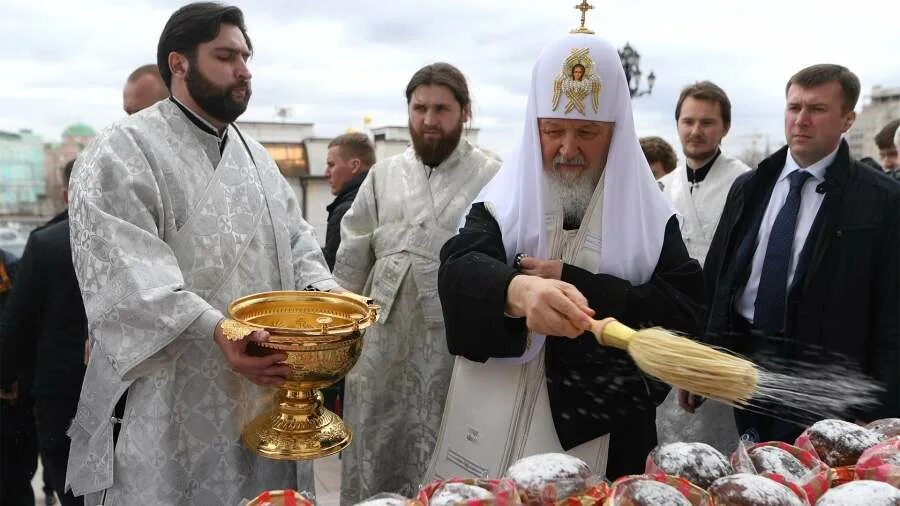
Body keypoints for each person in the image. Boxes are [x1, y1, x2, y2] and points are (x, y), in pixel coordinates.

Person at [65, 3, 338, 504]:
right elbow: (129, 276)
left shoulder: (257, 156)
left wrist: (329, 302)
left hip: (262, 390)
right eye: (226, 56)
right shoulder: (122, 150)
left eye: (246, 57)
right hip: (169, 394)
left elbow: (298, 243)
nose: (244, 70)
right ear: (179, 63)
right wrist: (222, 330)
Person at [432, 31, 704, 481]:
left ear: (616, 133)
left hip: (604, 438)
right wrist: (516, 290)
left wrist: (585, 286)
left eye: (588, 132)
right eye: (553, 130)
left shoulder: (652, 219)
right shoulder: (503, 201)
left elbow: (684, 317)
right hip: (493, 432)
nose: (567, 149)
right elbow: (458, 269)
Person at [699, 64, 900, 442]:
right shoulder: (751, 185)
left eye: (817, 109)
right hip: (749, 363)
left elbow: (892, 314)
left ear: (848, 119)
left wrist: (881, 412)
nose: (801, 120)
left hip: (828, 378)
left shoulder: (882, 201)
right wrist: (699, 357)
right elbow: (717, 279)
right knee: (754, 476)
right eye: (794, 108)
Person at [334, 62, 500, 501]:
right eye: (419, 108)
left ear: (465, 113)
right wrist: (334, 336)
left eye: (441, 109)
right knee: (373, 436)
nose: (429, 120)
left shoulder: (492, 177)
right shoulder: (383, 175)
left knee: (443, 445)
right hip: (378, 342)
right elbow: (353, 253)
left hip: (450, 343)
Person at [1, 160, 86, 506]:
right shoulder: (148, 236)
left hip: (62, 394)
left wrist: (6, 376)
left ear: (67, 194)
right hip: (134, 394)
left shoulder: (47, 243)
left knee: (70, 485)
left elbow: (18, 322)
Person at [660, 81, 750, 265]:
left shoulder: (746, 184)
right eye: (688, 121)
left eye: (706, 123)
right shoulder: (662, 187)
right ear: (677, 124)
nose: (695, 131)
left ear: (725, 128)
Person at [0, 247, 40, 506]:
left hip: (12, 395)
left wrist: (11, 376)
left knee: (13, 477)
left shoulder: (13, 268)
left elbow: (25, 328)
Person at [322, 132, 375, 271]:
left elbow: (334, 274)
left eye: (331, 165)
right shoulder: (379, 199)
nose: (326, 173)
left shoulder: (347, 211)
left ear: (354, 166)